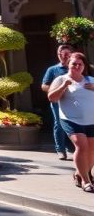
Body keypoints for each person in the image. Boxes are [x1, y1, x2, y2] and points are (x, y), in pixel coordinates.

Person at [47, 52, 94, 192]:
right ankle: (86, 181)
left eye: (80, 64)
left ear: (84, 66)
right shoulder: (61, 79)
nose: (77, 66)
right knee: (81, 146)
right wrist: (64, 86)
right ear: (68, 64)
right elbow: (52, 98)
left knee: (92, 149)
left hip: (91, 120)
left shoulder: (90, 80)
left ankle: (80, 174)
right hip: (71, 119)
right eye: (74, 63)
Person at [42, 43, 74, 160]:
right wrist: (55, 90)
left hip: (75, 102)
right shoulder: (53, 69)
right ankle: (60, 150)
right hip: (58, 102)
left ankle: (72, 148)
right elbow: (44, 85)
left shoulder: (77, 67)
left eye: (66, 54)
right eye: (60, 54)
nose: (63, 57)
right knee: (59, 125)